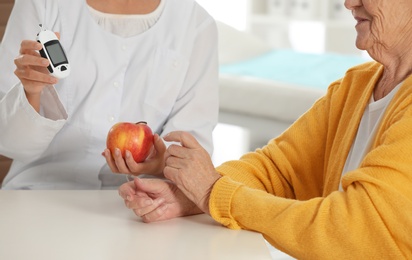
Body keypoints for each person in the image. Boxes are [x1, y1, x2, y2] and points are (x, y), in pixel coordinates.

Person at [118, 0, 412, 258]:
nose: (349, 3)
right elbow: (278, 170)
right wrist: (188, 197)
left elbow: (353, 229)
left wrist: (213, 193)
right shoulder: (356, 86)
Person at [0, 0, 219, 189]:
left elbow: (193, 147)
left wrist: (161, 164)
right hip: (39, 192)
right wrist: (30, 93)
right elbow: (9, 143)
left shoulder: (196, 24)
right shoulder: (43, 4)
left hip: (140, 202)